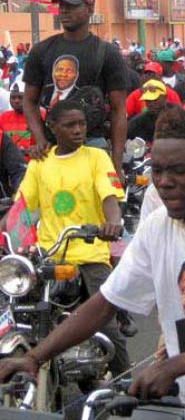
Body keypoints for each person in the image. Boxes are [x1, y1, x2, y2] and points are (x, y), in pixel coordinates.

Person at [0, 106, 185, 419]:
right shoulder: (157, 227)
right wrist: (35, 357)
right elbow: (105, 303)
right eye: (157, 171)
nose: (164, 182)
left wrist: (174, 365)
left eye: (179, 171)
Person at [0, 99, 129, 375]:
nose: (78, 130)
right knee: (17, 309)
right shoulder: (40, 162)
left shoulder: (96, 157)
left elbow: (110, 198)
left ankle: (123, 382)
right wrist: (5, 230)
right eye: (70, 125)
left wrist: (112, 224)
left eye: (81, 124)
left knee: (105, 322)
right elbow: (23, 208)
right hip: (48, 256)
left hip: (90, 255)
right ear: (52, 127)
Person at [21, 0, 128, 177]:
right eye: (61, 6)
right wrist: (40, 139)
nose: (64, 11)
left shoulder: (108, 53)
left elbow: (118, 110)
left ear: (90, 9)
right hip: (53, 146)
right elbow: (29, 100)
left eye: (71, 6)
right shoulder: (41, 50)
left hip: (93, 143)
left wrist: (117, 162)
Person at [0, 80, 45, 161]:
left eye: (20, 97)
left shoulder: (41, 115)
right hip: (10, 167)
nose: (16, 101)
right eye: (13, 97)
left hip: (35, 163)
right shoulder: (3, 117)